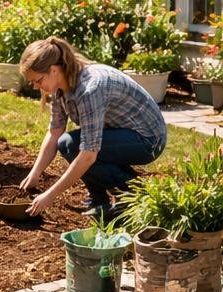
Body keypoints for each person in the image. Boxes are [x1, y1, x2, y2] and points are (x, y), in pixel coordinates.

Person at [18, 36, 167, 221]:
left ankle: (134, 195)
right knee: (66, 143)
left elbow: (88, 155)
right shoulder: (60, 87)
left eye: (37, 80)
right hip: (121, 133)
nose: (35, 86)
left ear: (54, 70)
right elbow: (55, 132)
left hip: (149, 139)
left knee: (76, 147)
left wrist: (50, 195)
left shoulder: (90, 90)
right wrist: (35, 173)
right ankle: (99, 201)